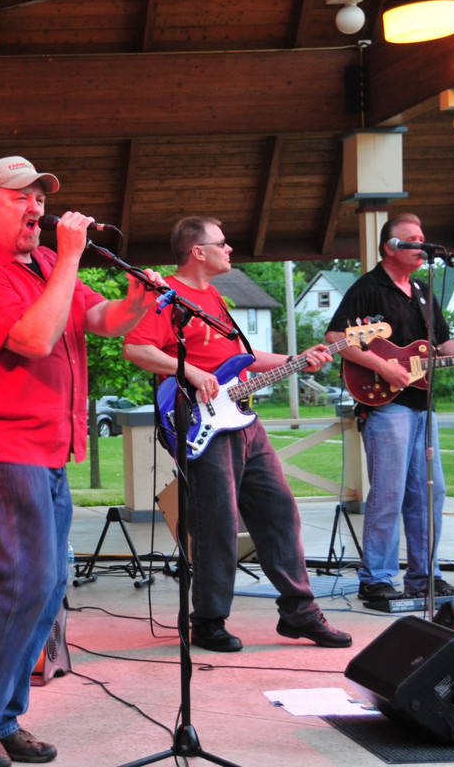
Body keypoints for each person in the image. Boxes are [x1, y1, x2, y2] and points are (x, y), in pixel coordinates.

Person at [0, 156, 165, 767]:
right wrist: (70, 256)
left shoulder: (42, 263)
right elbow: (36, 339)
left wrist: (138, 299)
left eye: (39, 198)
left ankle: (2, 716)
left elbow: (97, 318)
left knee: (49, 584)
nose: (36, 208)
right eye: (21, 198)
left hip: (48, 446)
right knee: (29, 580)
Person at [123, 215, 352, 653]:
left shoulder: (214, 297)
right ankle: (208, 620)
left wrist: (297, 358)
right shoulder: (164, 294)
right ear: (198, 251)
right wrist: (189, 370)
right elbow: (135, 347)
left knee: (280, 511)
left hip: (243, 419)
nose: (230, 250)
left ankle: (300, 613)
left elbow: (240, 360)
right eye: (222, 243)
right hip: (202, 422)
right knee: (218, 525)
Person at [325, 213, 454, 603]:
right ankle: (375, 578)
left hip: (422, 405)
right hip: (386, 405)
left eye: (423, 238)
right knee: (388, 493)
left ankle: (424, 576)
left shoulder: (423, 290)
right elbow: (335, 336)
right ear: (389, 248)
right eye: (412, 240)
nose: (421, 245)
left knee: (431, 493)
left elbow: (443, 344)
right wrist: (383, 367)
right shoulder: (369, 287)